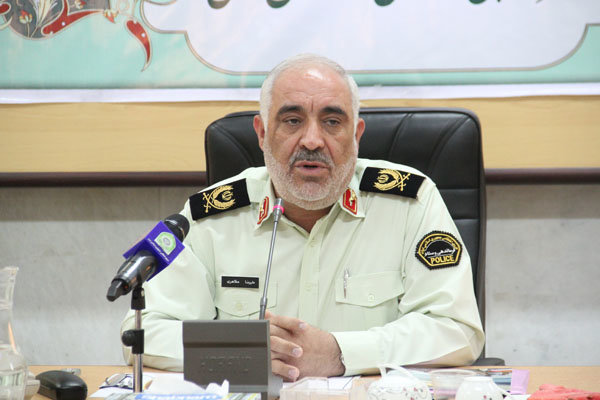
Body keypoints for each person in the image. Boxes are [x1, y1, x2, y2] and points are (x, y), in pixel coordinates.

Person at [121, 54, 485, 381]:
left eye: (332, 121)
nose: (312, 140)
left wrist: (339, 354)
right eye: (292, 120)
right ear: (262, 133)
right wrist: (243, 351)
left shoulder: (410, 203)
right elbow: (144, 331)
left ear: (356, 135)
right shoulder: (211, 216)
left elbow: (456, 330)